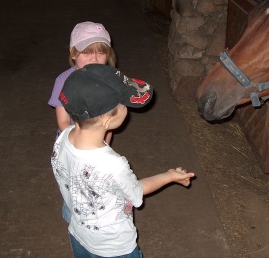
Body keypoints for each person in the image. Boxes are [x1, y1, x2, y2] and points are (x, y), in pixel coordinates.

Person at [51, 64, 195, 258]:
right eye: (123, 104)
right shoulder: (113, 165)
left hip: (79, 236)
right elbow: (136, 191)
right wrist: (169, 176)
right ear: (107, 121)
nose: (127, 108)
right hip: (115, 248)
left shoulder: (63, 138)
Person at [48, 21, 116, 224]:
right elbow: (62, 120)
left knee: (97, 185)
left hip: (99, 144)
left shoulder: (110, 80)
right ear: (73, 53)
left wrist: (103, 147)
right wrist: (81, 144)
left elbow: (109, 120)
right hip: (71, 145)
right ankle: (73, 218)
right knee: (74, 187)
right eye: (87, 52)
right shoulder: (64, 80)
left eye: (100, 53)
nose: (94, 59)